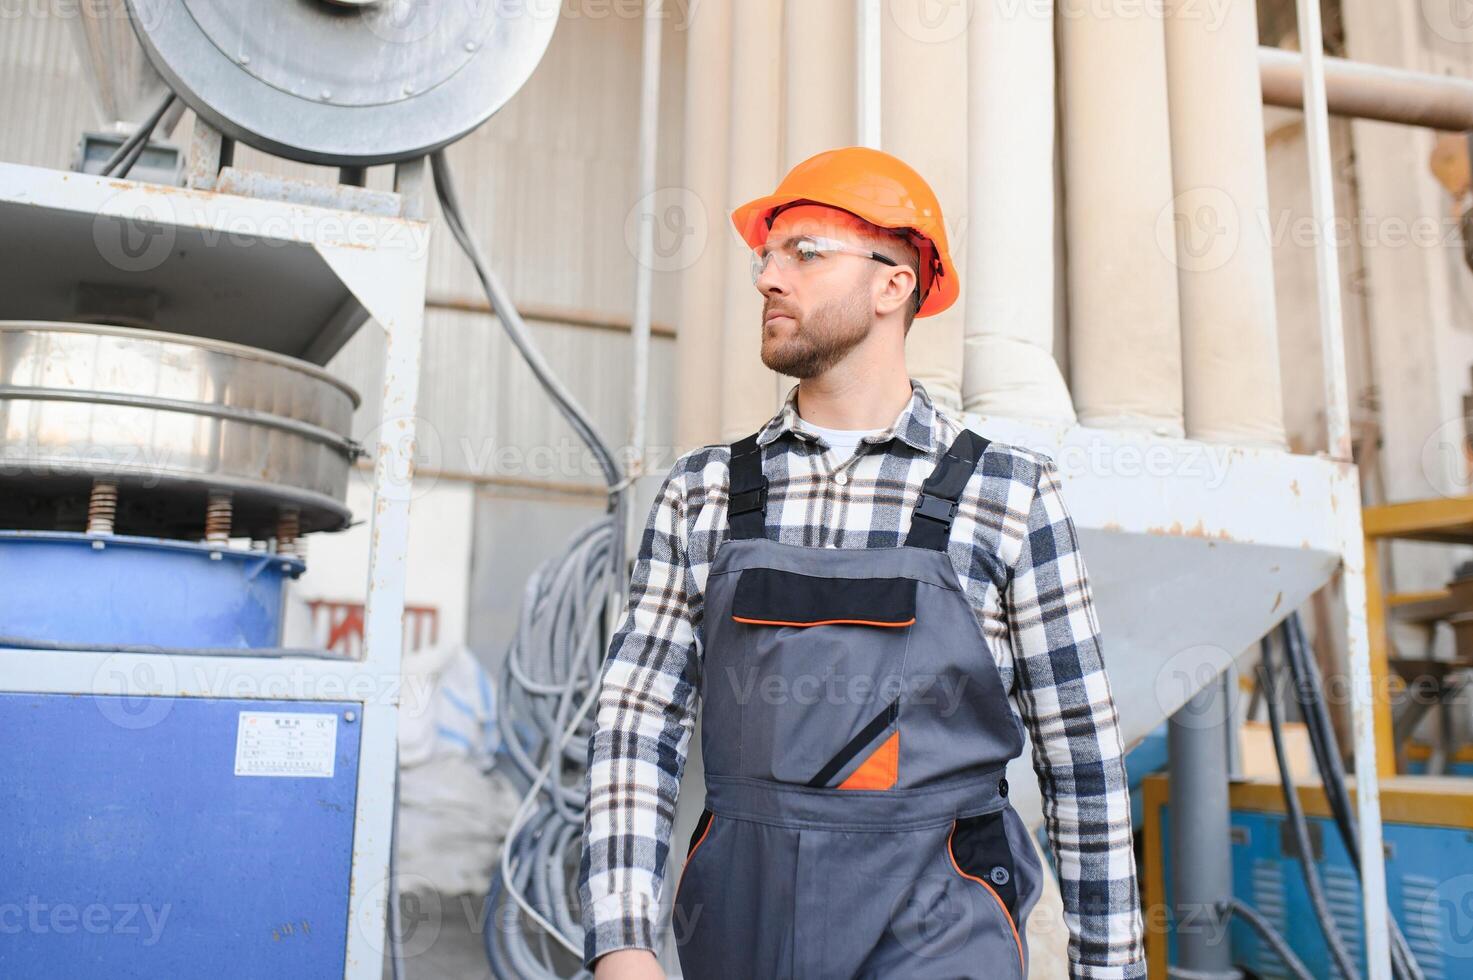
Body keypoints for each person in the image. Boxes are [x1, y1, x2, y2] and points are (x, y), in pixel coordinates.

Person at [578, 146, 1146, 979]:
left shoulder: (1008, 491)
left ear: (893, 284)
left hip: (938, 922)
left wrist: (1110, 970)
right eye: (765, 257)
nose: (769, 277)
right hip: (742, 922)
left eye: (804, 252)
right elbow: (636, 718)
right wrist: (622, 941)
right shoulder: (703, 491)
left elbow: (1081, 754)